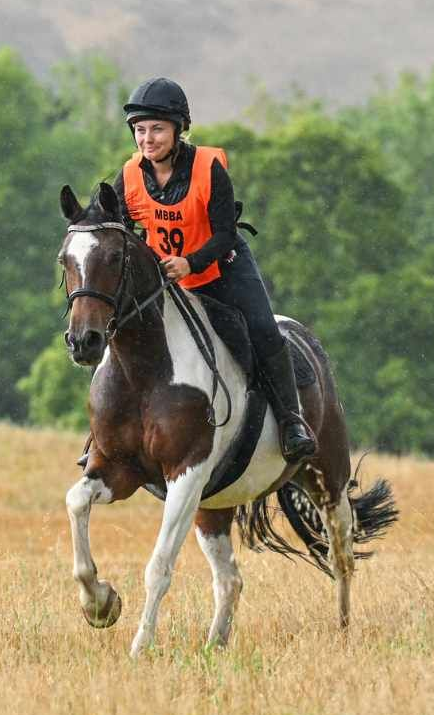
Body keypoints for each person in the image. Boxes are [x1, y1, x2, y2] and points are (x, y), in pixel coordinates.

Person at [78, 77, 315, 467]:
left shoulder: (208, 169)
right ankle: (101, 435)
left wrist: (190, 262)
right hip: (167, 280)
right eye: (140, 130)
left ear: (178, 129)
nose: (147, 139)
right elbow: (110, 229)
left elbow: (225, 234)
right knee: (122, 334)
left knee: (261, 328)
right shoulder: (131, 175)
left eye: (157, 129)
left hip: (222, 270)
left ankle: (292, 421)